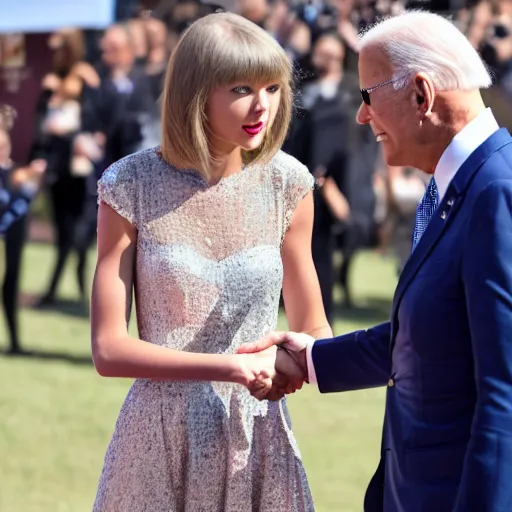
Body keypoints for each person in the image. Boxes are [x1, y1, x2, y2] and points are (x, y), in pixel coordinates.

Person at [239, 11, 512, 512]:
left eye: (367, 95)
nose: (362, 116)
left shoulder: (497, 191)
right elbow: (434, 335)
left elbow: (505, 396)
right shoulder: (460, 184)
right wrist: (314, 358)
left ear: (420, 94)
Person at [90, 12, 330, 512]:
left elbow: (315, 331)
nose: (261, 105)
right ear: (196, 92)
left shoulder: (289, 184)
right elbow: (108, 349)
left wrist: (287, 361)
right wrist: (234, 369)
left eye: (272, 87)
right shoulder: (128, 184)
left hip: (257, 437)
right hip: (158, 440)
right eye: (241, 88)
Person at [0, 105, 46, 353]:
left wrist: (31, 178)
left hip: (14, 230)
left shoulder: (16, 170)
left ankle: (15, 342)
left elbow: (25, 193)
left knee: (11, 284)